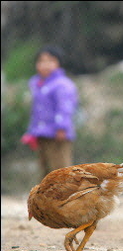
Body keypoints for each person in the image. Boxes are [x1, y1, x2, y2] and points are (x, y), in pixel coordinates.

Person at [21, 45, 79, 180]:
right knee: (45, 169)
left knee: (60, 170)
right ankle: (47, 199)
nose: (45, 65)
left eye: (50, 61)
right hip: (42, 133)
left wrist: (62, 127)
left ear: (59, 63)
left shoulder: (62, 84)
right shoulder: (37, 84)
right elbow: (36, 111)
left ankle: (65, 198)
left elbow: (65, 107)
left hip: (58, 134)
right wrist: (32, 131)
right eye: (41, 61)